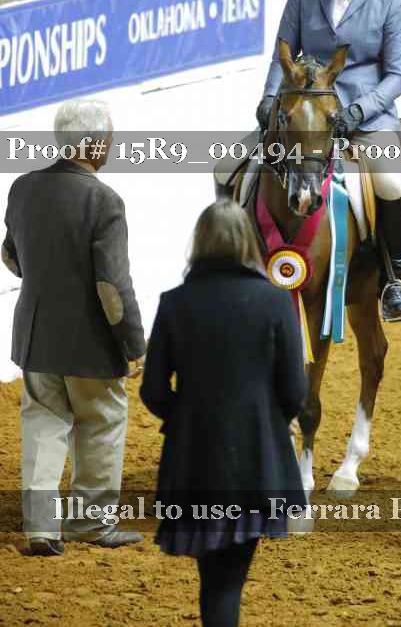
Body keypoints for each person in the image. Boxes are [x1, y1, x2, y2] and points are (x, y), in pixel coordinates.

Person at [140, 201, 306, 627]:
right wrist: (270, 419)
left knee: (214, 583)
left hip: (194, 461)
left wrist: (186, 416)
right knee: (228, 582)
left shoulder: (173, 303)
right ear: (249, 242)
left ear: (199, 242)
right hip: (255, 460)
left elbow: (153, 390)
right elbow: (295, 391)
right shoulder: (276, 302)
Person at [255, 0, 401, 323]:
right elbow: (280, 56)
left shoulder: (389, 2)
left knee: (392, 180)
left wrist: (358, 111)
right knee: (229, 167)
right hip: (304, 111)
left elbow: (397, 75)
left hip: (364, 116)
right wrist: (269, 99)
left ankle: (393, 280)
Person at [2, 98, 145, 556]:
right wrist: (133, 343)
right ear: (93, 143)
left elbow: (10, 256)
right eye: (109, 137)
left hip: (36, 336)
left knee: (43, 425)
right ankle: (90, 523)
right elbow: (111, 286)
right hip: (90, 342)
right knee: (101, 423)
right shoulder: (104, 201)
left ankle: (41, 528)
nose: (111, 143)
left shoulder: (23, 188)